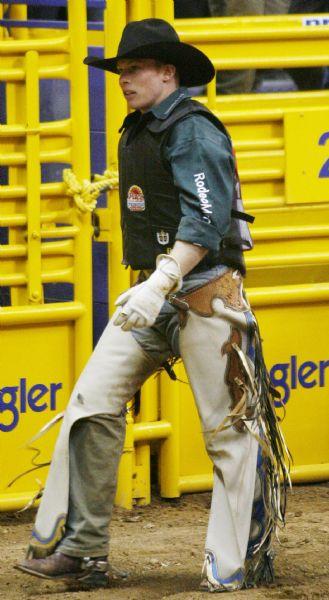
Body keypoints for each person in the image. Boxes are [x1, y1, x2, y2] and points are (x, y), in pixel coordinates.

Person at [16, 18, 289, 592]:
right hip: (158, 294)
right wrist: (155, 284)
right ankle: (82, 550)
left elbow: (207, 217)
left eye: (134, 69)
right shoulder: (143, 128)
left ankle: (234, 565)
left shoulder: (192, 131)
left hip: (204, 297)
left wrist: (160, 279)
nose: (123, 79)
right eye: (119, 70)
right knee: (92, 404)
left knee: (230, 432)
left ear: (168, 73)